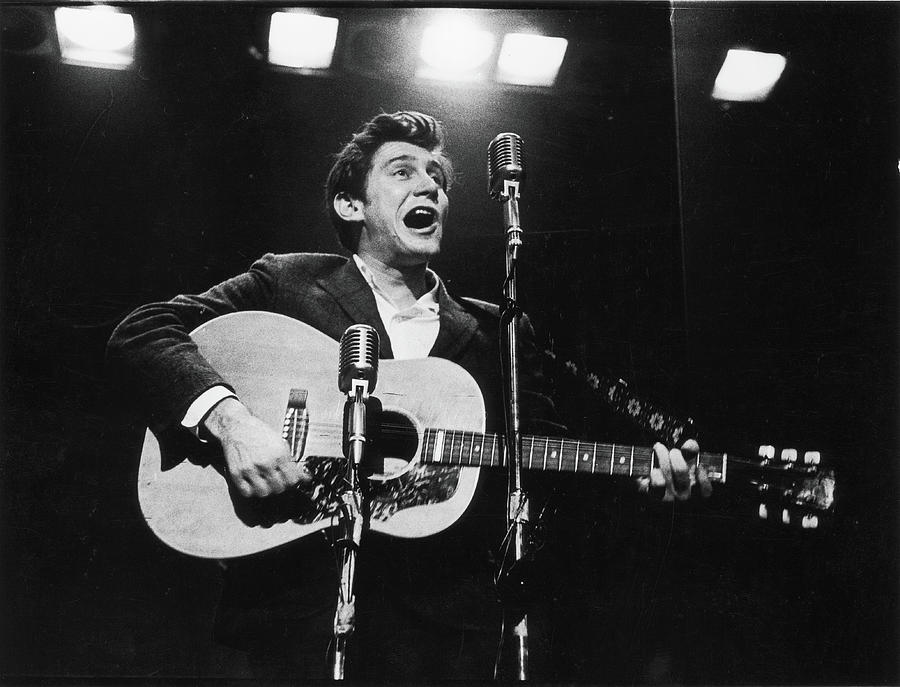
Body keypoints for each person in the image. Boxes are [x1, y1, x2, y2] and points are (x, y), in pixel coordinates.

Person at [107, 110, 708, 680]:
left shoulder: (498, 330)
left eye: (438, 179)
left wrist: (641, 478)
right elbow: (143, 331)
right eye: (403, 171)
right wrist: (234, 423)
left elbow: (542, 467)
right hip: (295, 622)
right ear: (351, 203)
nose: (431, 189)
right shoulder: (289, 282)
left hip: (441, 639)